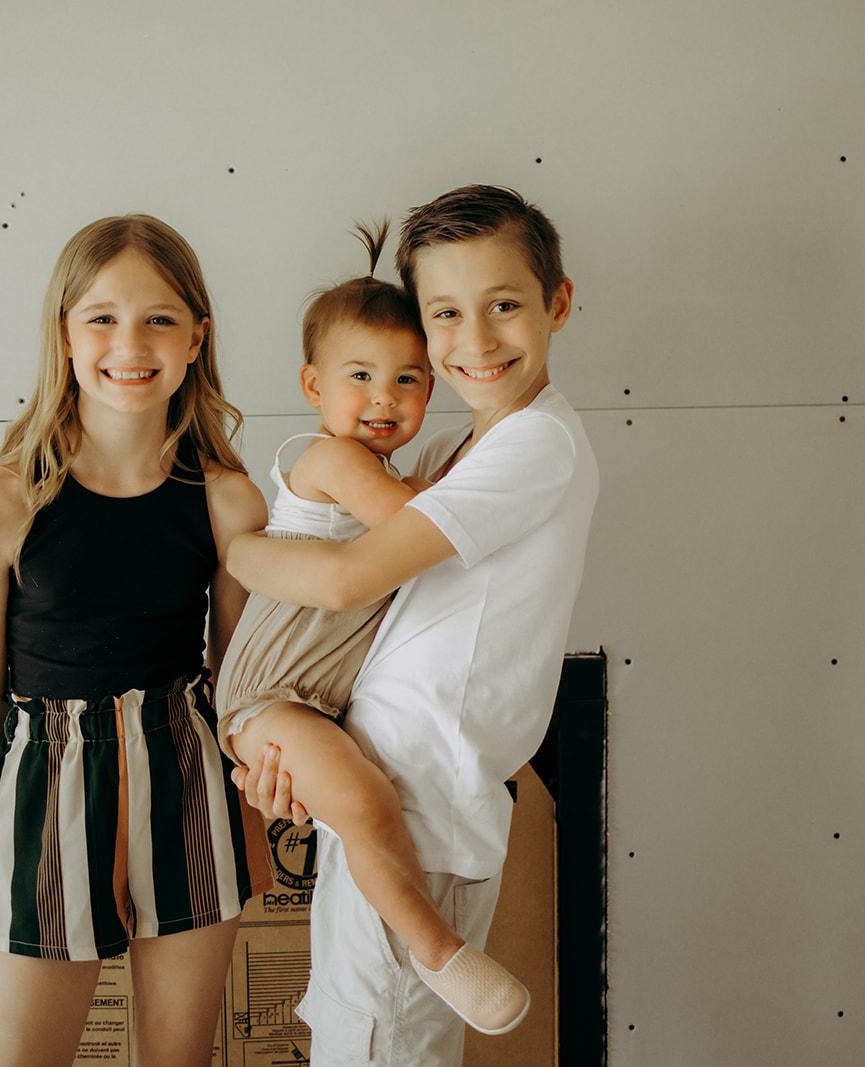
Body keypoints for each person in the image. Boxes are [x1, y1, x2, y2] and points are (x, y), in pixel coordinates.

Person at [229, 184, 600, 1065]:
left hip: (420, 805)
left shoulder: (532, 444)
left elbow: (351, 576)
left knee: (376, 1041)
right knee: (360, 1036)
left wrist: (242, 555)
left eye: (503, 305)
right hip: (385, 793)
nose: (475, 339)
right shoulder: (457, 452)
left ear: (559, 302)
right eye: (446, 313)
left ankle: (434, 948)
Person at [0, 214, 271, 1067]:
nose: (131, 342)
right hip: (47, 782)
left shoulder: (227, 500)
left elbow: (240, 688)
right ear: (64, 332)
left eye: (160, 317)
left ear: (197, 336)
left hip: (187, 773)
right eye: (102, 317)